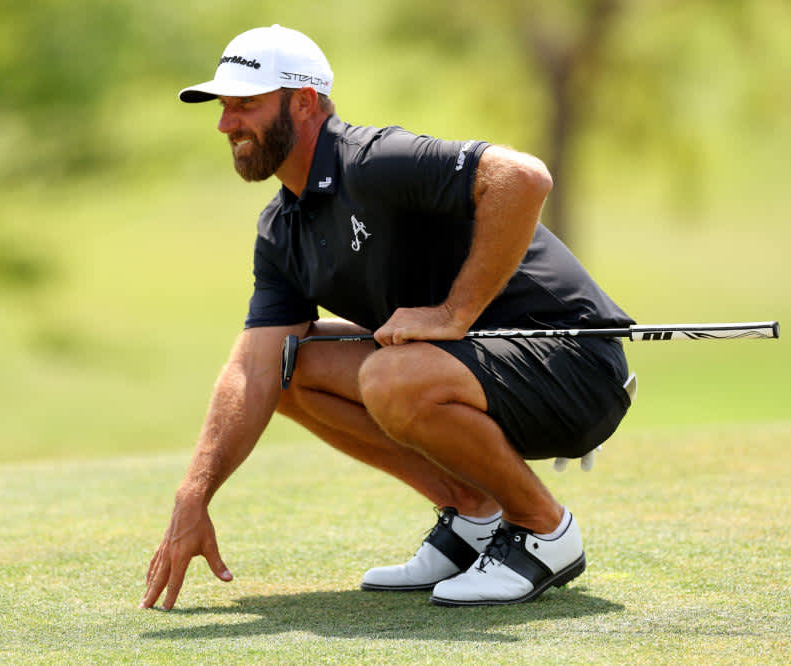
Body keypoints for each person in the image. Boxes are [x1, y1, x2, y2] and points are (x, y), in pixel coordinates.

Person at [141, 24, 634, 610]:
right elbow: (253, 368)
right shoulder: (282, 230)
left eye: (245, 105)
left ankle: (544, 531)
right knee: (286, 369)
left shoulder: (374, 163)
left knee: (389, 377)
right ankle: (474, 514)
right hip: (476, 376)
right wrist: (194, 494)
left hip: (575, 368)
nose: (227, 125)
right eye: (224, 108)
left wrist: (455, 313)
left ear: (303, 103)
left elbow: (523, 177)